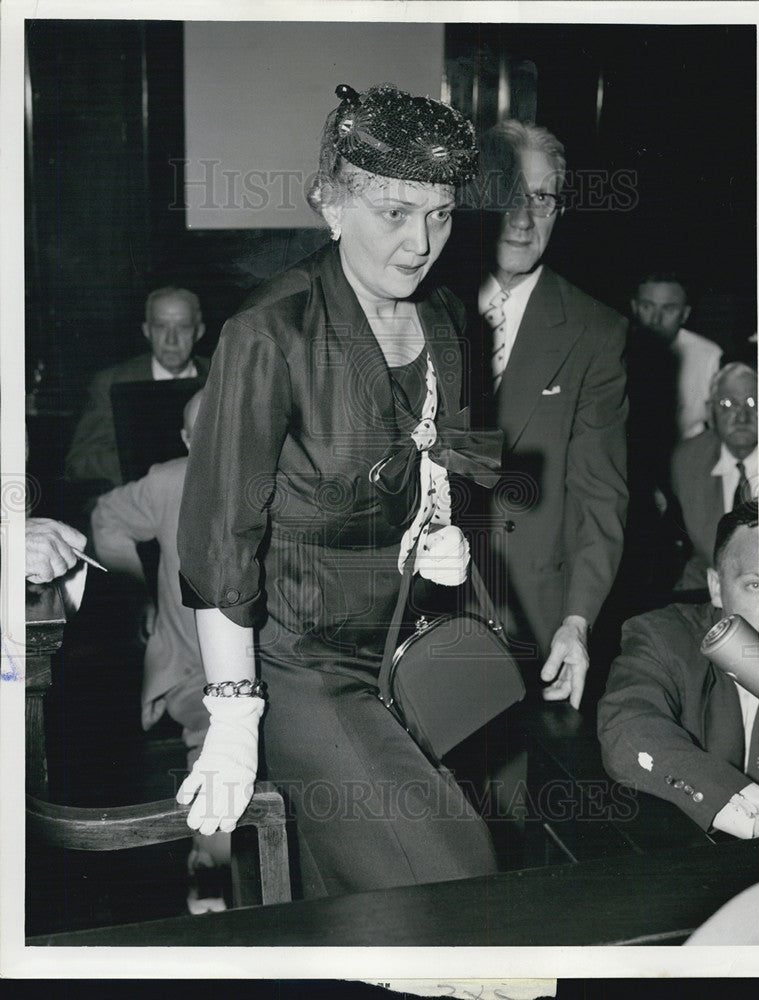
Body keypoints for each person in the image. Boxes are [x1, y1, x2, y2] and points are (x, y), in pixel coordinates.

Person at [175, 83, 503, 899]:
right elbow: (220, 539)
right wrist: (233, 709)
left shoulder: (447, 320)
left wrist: (444, 524)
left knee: (351, 904)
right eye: (393, 212)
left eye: (439, 214)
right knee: (455, 877)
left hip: (403, 649)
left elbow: (445, 457)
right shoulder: (269, 333)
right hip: (296, 665)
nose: (419, 241)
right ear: (331, 207)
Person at [464, 120, 628, 709]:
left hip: (531, 620)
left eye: (543, 197)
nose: (524, 216)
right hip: (414, 606)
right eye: (509, 195)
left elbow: (599, 496)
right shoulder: (425, 300)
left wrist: (577, 622)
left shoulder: (595, 331)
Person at [91, 389, 229, 912]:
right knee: (217, 736)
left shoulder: (277, 479)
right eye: (203, 436)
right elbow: (107, 516)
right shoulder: (168, 482)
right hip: (193, 667)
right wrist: (134, 593)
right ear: (187, 441)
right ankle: (211, 867)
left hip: (272, 664)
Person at [598, 501, 759, 839]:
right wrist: (729, 798)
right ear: (716, 587)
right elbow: (629, 726)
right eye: (755, 585)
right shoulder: (666, 637)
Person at [65, 286, 210, 489]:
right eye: (161, 326)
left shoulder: (221, 377)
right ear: (146, 331)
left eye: (183, 327)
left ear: (199, 331)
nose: (171, 340)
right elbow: (79, 464)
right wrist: (140, 464)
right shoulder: (112, 382)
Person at [670, 362, 758, 593]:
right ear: (710, 412)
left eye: (753, 403)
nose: (742, 417)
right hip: (707, 588)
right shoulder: (686, 461)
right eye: (728, 404)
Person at [630, 272, 722, 440]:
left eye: (668, 309)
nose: (655, 320)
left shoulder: (708, 355)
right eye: (647, 307)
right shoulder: (613, 350)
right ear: (634, 307)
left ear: (685, 314)